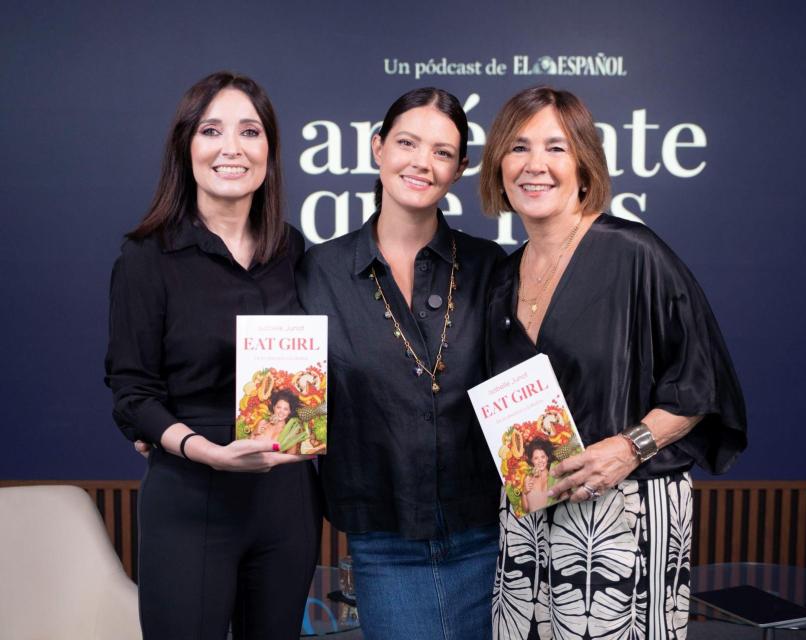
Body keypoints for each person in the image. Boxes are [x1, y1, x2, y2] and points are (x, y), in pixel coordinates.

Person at [479, 86, 747, 639]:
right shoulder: (502, 278)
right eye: (518, 147)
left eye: (555, 147)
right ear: (498, 165)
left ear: (584, 163)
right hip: (527, 519)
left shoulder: (633, 253)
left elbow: (701, 384)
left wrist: (630, 448)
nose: (534, 165)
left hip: (624, 516)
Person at [104, 71, 321, 640]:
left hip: (287, 497)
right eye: (211, 130)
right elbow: (131, 393)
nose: (232, 148)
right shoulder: (147, 256)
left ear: (269, 150)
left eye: (250, 131)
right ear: (186, 147)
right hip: (190, 492)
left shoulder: (293, 251)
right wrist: (203, 450)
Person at [297, 87, 505, 640]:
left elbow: (525, 383)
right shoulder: (318, 270)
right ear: (377, 148)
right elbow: (281, 392)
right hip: (382, 535)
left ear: (459, 169)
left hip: (489, 531)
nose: (422, 162)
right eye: (407, 143)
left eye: (442, 152)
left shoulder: (490, 267)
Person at [521, 438, 556, 513]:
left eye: (543, 457)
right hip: (534, 521)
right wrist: (524, 492)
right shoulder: (528, 479)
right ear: (532, 460)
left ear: (547, 458)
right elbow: (526, 509)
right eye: (536, 458)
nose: (540, 461)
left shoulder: (554, 476)